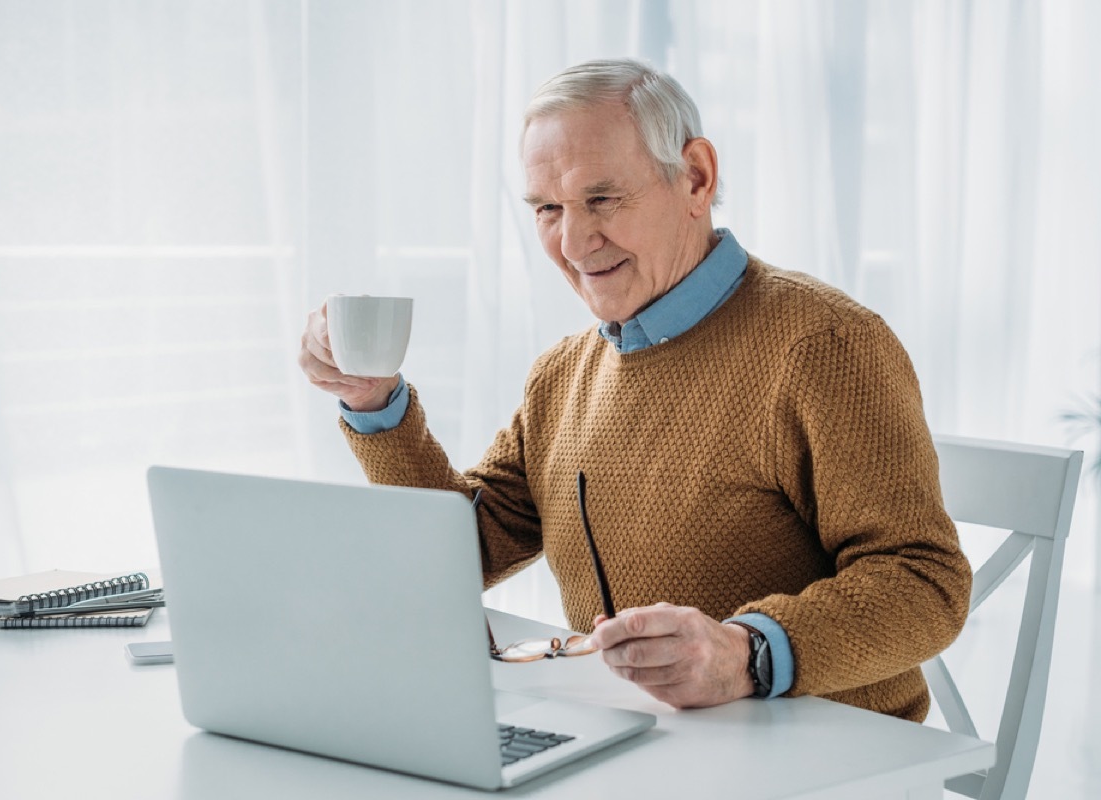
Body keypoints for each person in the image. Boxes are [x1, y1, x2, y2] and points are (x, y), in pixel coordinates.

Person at [298, 58, 971, 721]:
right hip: (643, 746)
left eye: (601, 199)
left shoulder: (823, 345)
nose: (573, 240)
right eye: (547, 209)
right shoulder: (562, 374)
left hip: (830, 761)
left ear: (696, 179)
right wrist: (371, 401)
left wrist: (744, 654)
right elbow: (455, 554)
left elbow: (924, 581)